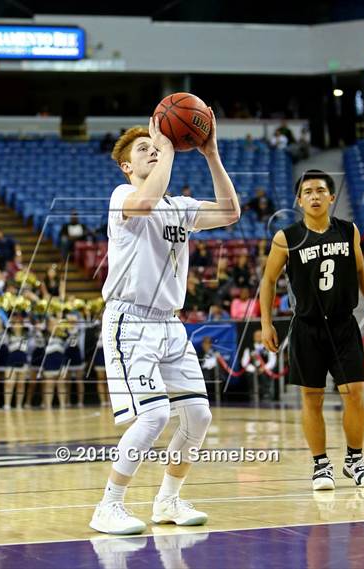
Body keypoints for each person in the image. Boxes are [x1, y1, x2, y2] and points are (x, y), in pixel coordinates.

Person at [90, 110, 240, 535]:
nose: (153, 153)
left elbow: (230, 213)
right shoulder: (123, 195)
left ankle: (168, 499)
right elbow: (145, 202)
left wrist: (211, 154)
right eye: (145, 150)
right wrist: (169, 149)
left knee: (198, 415)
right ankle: (108, 505)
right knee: (154, 417)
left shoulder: (180, 208)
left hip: (171, 324)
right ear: (127, 166)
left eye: (156, 147)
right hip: (129, 319)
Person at [260, 169, 364, 491]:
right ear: (299, 200)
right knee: (312, 398)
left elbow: (360, 270)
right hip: (307, 326)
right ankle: (320, 465)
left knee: (354, 394)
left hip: (343, 324)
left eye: (320, 190)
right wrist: (267, 323)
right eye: (307, 191)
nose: (314, 196)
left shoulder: (347, 230)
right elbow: (268, 281)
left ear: (331, 197)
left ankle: (354, 460)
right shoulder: (286, 237)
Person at [241, 329, 276, 400]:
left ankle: (266, 395)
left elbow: (272, 361)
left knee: (264, 376)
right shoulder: (249, 348)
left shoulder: (269, 346)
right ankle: (253, 395)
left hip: (265, 370)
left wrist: (264, 368)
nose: (258, 337)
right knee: (250, 376)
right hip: (253, 370)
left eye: (260, 335)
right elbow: (244, 362)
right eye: (257, 336)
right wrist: (254, 369)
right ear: (253, 337)